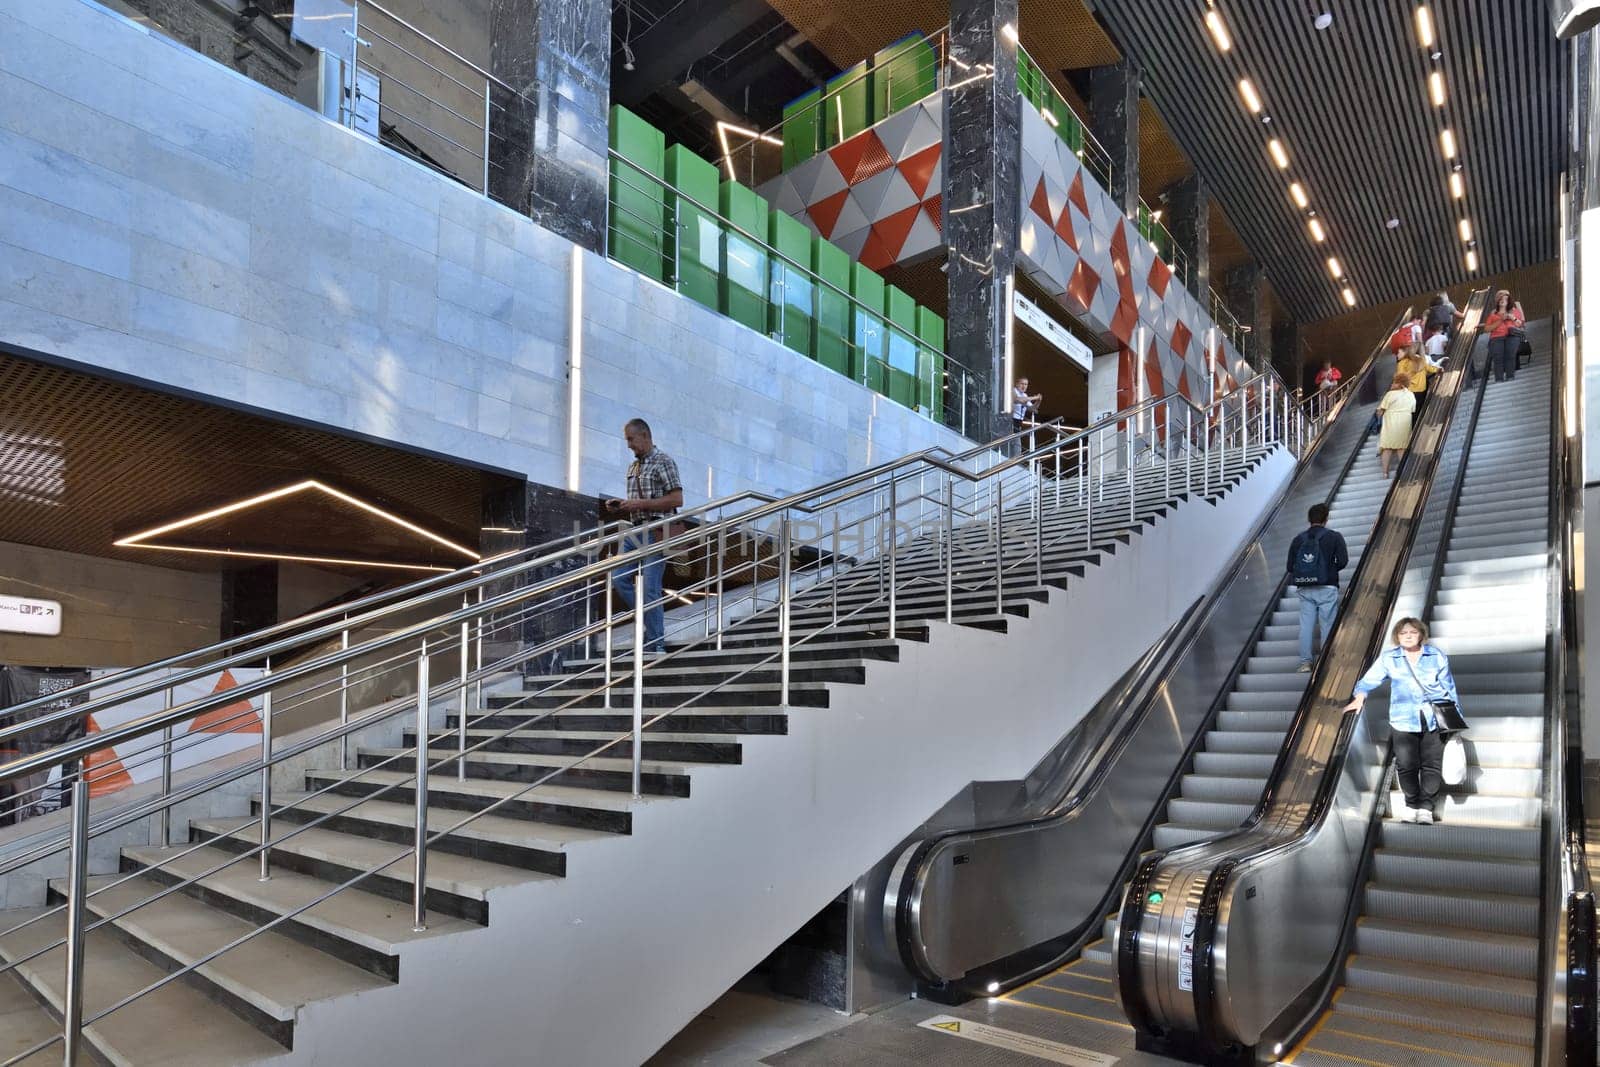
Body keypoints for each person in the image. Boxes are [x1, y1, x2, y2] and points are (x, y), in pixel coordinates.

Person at [1345, 618, 1461, 824]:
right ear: (1397, 637)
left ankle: (1426, 807)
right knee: (1406, 765)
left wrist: (1455, 720)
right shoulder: (1390, 658)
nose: (1408, 635)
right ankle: (1411, 804)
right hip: (1403, 719)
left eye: (1412, 632)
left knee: (1431, 764)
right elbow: (1368, 680)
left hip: (1434, 718)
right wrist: (1360, 696)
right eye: (1403, 633)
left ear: (1421, 635)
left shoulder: (1436, 656)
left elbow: (1449, 688)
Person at [605, 419, 683, 654]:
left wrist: (640, 503)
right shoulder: (633, 467)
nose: (629, 445)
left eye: (631, 439)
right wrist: (620, 506)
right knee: (618, 577)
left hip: (657, 529)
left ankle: (655, 641)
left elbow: (677, 499)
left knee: (650, 588)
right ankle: (650, 623)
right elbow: (638, 502)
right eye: (627, 439)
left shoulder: (664, 461)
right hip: (635, 530)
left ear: (645, 436)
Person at [1287, 502, 1349, 673]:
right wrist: (1329, 570)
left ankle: (1305, 662)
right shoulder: (1334, 537)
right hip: (1327, 586)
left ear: (1309, 519)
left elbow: (1290, 567)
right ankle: (1325, 661)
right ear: (1326, 518)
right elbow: (1343, 561)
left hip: (1305, 588)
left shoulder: (1298, 539)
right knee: (1327, 623)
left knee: (1306, 625)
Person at [1376, 372, 1415, 479]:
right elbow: (1413, 409)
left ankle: (1385, 473)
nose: (1392, 384)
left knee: (1387, 448)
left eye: (1395, 382)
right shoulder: (1411, 395)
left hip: (1391, 423)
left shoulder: (1390, 394)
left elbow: (1380, 411)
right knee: (1401, 448)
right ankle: (1404, 472)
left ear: (1400, 384)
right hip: (1405, 423)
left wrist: (1380, 413)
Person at [1484, 289, 1526, 383]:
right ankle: (1499, 378)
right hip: (1498, 337)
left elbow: (1521, 324)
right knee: (1498, 357)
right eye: (1501, 298)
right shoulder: (1494, 313)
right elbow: (1488, 327)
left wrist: (1512, 317)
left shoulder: (1514, 310)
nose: (1503, 300)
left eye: (1506, 297)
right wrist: (1501, 319)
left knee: (1510, 355)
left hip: (1512, 335)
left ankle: (1510, 376)